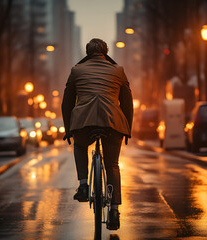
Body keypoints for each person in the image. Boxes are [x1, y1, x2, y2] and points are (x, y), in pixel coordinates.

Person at [61, 38, 133, 230]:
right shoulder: (118, 70)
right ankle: (115, 210)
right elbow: (127, 102)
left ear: (87, 52)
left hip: (84, 122)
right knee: (112, 165)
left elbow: (67, 102)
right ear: (106, 51)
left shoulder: (76, 70)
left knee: (80, 145)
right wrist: (128, 129)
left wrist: (68, 129)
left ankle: (84, 184)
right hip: (113, 123)